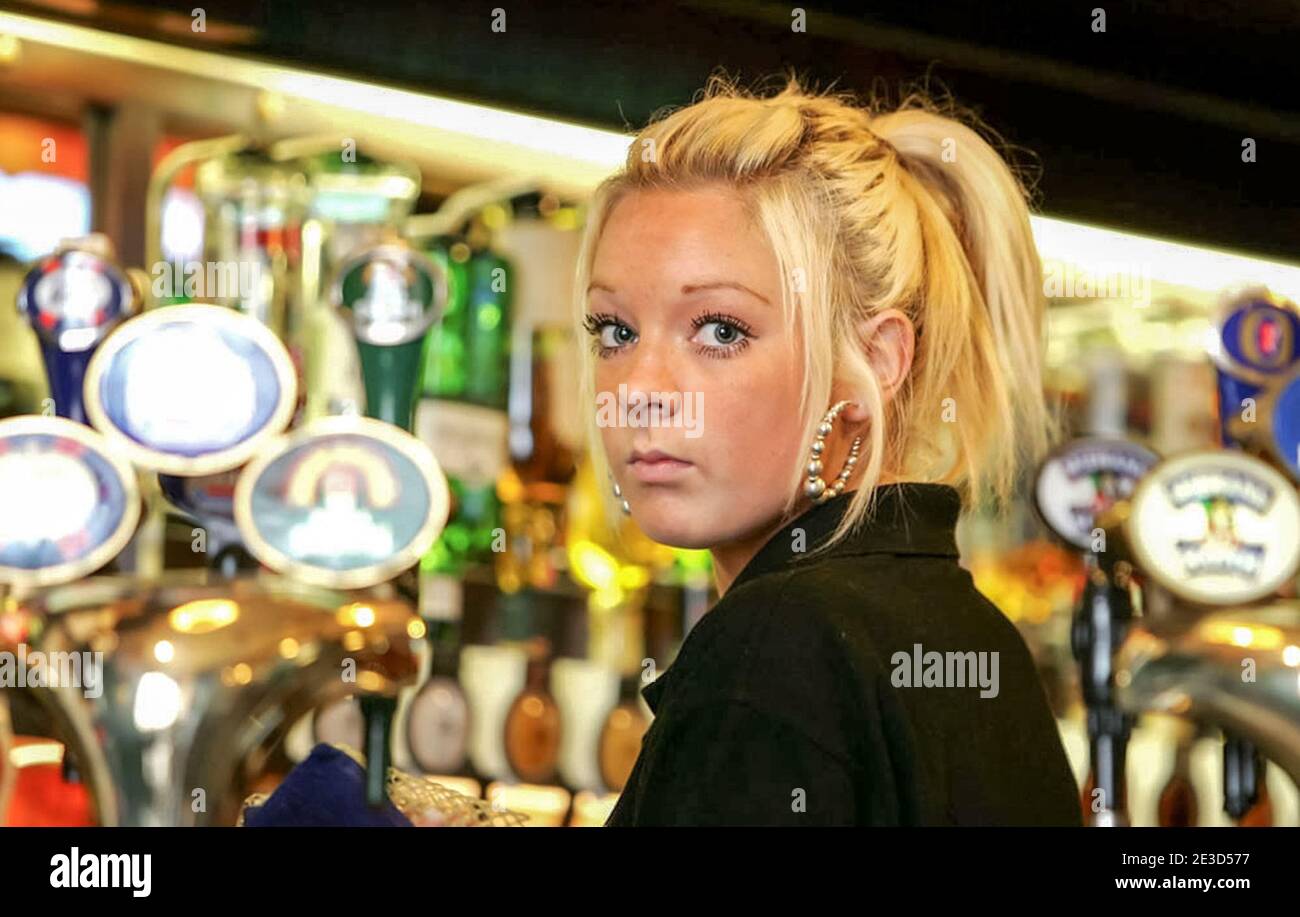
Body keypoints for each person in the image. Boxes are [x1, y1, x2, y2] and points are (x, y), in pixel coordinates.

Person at [577, 72, 1082, 826]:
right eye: (615, 330)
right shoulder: (976, 635)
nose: (641, 387)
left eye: (720, 328)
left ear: (876, 359)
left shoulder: (776, 646)